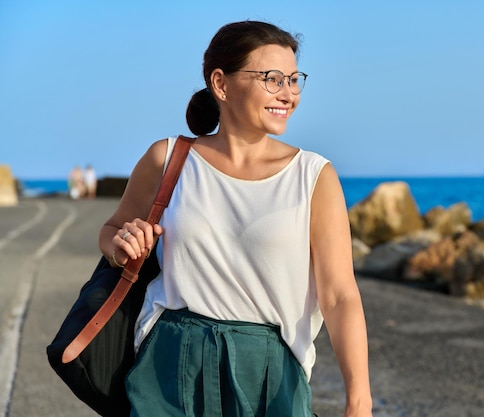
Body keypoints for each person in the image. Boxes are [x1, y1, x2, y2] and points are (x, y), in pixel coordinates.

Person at [99, 20, 372, 417]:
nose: (288, 94)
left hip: (270, 372)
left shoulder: (313, 175)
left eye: (294, 80)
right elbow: (111, 232)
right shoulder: (168, 159)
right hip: (168, 364)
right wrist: (120, 245)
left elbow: (339, 295)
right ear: (221, 84)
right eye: (272, 79)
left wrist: (359, 400)